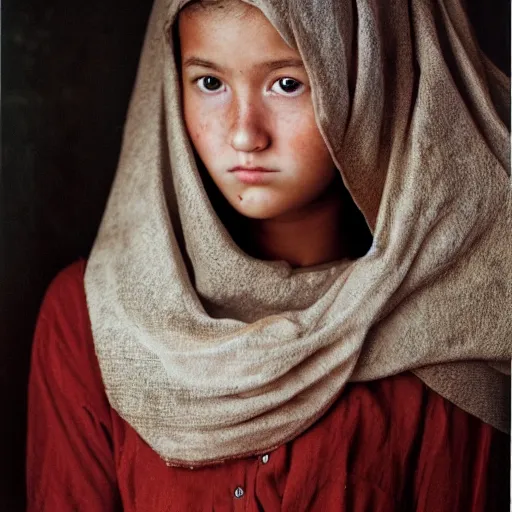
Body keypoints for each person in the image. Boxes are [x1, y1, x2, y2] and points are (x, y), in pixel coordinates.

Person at [27, 0, 511, 510]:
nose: (244, 134)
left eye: (286, 83)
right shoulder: (97, 320)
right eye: (210, 83)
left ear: (366, 79)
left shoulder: (454, 326)